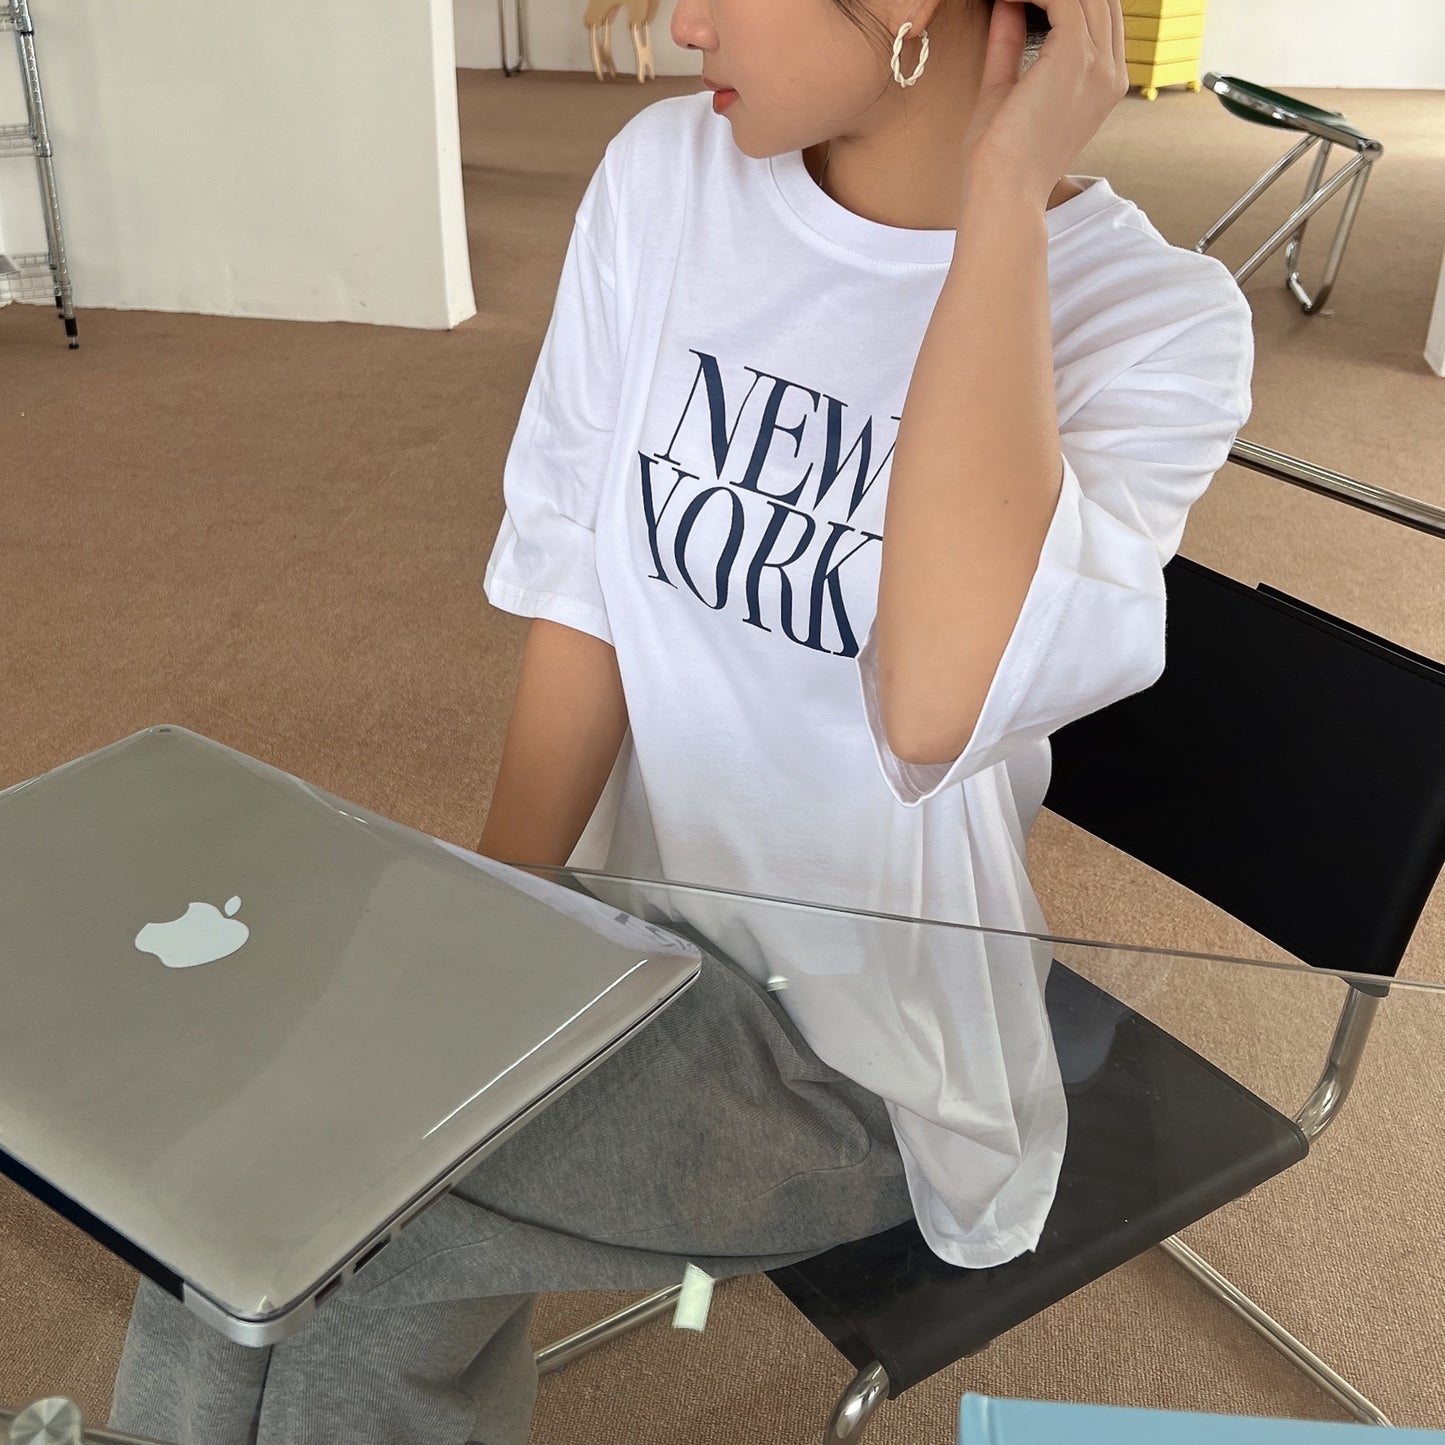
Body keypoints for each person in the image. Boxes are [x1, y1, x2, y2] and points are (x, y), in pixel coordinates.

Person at [107, 0, 1254, 1441]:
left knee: (352, 1212)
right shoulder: (667, 178)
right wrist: (479, 946)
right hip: (619, 938)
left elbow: (929, 706)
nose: (674, 24)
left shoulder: (1155, 326)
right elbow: (582, 595)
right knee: (262, 1138)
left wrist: (1003, 201)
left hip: (854, 1054)